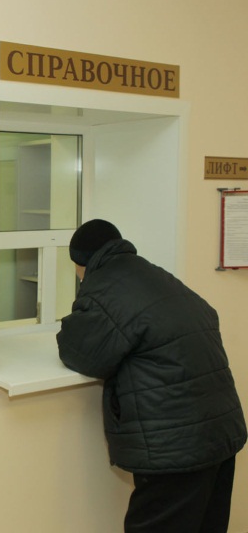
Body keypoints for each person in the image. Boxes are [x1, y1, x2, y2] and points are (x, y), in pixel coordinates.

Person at [56, 219, 247, 533]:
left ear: (80, 264)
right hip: (220, 432)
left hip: (175, 447)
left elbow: (80, 352)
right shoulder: (154, 275)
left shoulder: (106, 289)